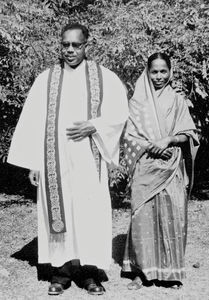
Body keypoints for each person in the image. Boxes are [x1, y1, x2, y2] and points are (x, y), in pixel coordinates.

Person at [7, 22, 128, 296]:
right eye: (65, 45)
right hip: (55, 163)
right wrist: (35, 162)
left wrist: (94, 125)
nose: (70, 50)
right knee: (58, 213)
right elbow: (32, 122)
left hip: (88, 159)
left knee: (88, 214)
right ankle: (60, 272)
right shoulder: (45, 80)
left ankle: (88, 274)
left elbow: (120, 113)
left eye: (76, 45)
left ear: (87, 45)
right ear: (60, 45)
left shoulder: (104, 78)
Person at [122, 52, 199, 290]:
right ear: (147, 72)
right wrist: (151, 147)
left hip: (171, 165)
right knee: (142, 217)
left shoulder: (177, 101)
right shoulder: (136, 102)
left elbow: (190, 133)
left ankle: (170, 273)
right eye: (154, 71)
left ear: (170, 72)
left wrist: (167, 140)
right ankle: (141, 272)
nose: (158, 76)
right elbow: (128, 136)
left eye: (163, 71)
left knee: (172, 215)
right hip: (146, 165)